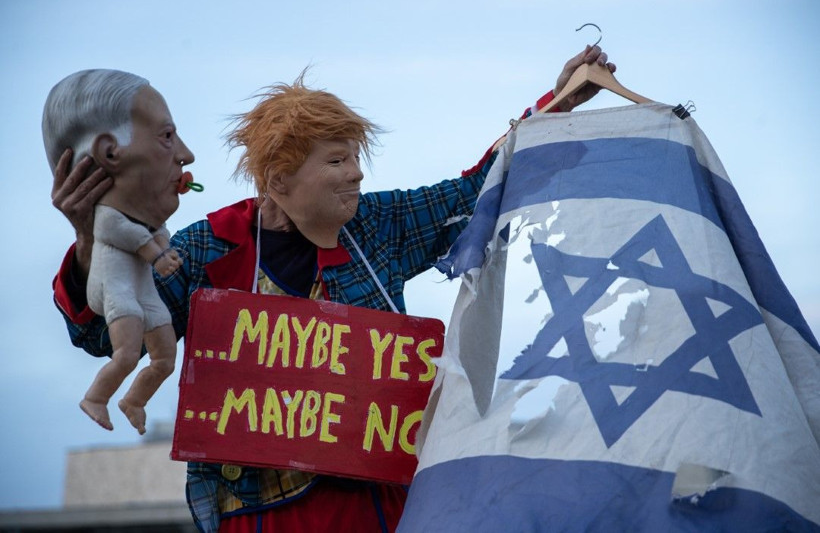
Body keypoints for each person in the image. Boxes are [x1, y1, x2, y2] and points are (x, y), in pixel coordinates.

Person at [50, 46, 615, 532]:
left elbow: (474, 190)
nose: (357, 175)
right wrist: (86, 243)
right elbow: (102, 334)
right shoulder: (207, 251)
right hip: (260, 516)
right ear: (279, 180)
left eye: (356, 158)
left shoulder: (377, 228)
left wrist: (555, 104)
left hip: (378, 510)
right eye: (338, 160)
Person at [43, 69, 195, 435]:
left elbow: (153, 240)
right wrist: (89, 238)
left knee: (164, 357)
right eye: (167, 137)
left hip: (141, 291)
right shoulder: (114, 223)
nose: (187, 155)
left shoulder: (161, 229)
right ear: (110, 152)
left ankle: (134, 399)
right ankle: (97, 397)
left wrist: (159, 250)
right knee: (126, 351)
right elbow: (96, 339)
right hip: (119, 291)